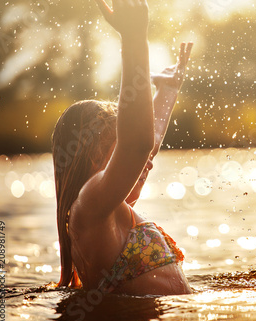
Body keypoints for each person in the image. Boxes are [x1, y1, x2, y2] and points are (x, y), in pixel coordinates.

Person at [52, 0, 193, 295]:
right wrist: (133, 39)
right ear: (93, 153)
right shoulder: (89, 207)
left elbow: (143, 146)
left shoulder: (109, 210)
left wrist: (166, 90)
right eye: (119, 147)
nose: (149, 160)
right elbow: (137, 146)